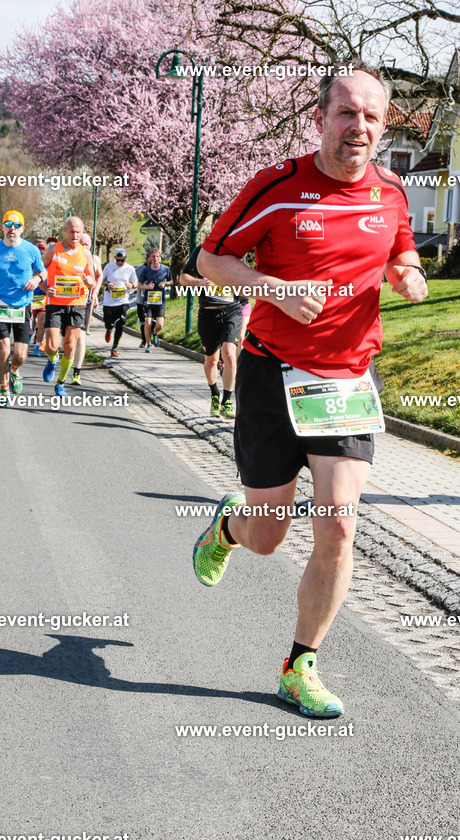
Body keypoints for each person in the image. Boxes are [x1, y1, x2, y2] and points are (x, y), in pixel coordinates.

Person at [192, 65, 427, 717]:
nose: (358, 127)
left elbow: (400, 253)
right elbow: (210, 261)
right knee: (267, 534)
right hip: (271, 372)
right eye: (345, 113)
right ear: (320, 118)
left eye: (371, 117)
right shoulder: (275, 187)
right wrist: (275, 290)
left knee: (337, 524)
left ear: (384, 126)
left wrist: (409, 277)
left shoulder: (391, 193)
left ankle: (299, 666)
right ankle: (229, 528)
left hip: (348, 377)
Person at [0, 211, 45, 406]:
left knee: (20, 355)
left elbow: (43, 272)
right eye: (8, 224)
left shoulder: (31, 250)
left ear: (22, 228)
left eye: (16, 225)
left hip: (23, 306)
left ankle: (14, 370)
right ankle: (4, 393)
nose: (12, 228)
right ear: (2, 227)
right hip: (1, 304)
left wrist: (37, 278)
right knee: (3, 351)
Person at [180, 243, 242, 417]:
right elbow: (183, 278)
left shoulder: (237, 250)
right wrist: (199, 282)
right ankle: (215, 393)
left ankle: (227, 400)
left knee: (230, 353)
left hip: (232, 309)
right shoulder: (201, 251)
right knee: (211, 360)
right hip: (208, 314)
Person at [41, 218, 96, 397]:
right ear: (65, 231)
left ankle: (60, 383)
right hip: (55, 303)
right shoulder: (53, 250)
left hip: (77, 304)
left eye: (78, 232)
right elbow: (38, 272)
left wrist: (90, 282)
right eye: (72, 232)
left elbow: (93, 281)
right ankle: (52, 359)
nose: (75, 236)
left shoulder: (85, 254)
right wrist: (45, 289)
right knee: (51, 345)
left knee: (70, 345)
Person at [71, 232, 103, 385]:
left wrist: (95, 292)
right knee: (68, 337)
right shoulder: (70, 254)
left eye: (87, 244)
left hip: (85, 300)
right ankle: (63, 359)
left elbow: (99, 275)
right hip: (68, 301)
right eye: (82, 243)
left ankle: (77, 372)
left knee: (81, 337)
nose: (84, 246)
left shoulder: (94, 259)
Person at [102, 248, 138, 357]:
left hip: (123, 301)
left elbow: (136, 282)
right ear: (115, 259)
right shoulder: (109, 267)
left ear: (125, 259)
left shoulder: (130, 268)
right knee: (109, 323)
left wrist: (131, 285)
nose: (119, 263)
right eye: (117, 260)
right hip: (109, 301)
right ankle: (108, 330)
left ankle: (114, 347)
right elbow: (101, 280)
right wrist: (107, 284)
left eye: (122, 260)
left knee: (121, 323)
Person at [136, 248, 173, 352]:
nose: (155, 258)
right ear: (150, 258)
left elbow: (171, 281)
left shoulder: (165, 269)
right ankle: (148, 344)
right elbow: (139, 285)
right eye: (153, 256)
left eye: (157, 256)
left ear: (160, 258)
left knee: (159, 325)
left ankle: (155, 333)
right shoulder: (146, 270)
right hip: (148, 301)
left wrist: (164, 283)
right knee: (147, 323)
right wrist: (147, 287)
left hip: (160, 301)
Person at [30, 240, 48, 355]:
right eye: (39, 251)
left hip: (42, 297)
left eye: (43, 251)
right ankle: (25, 342)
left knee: (41, 321)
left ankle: (37, 345)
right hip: (30, 296)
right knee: (30, 323)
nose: (41, 253)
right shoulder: (30, 262)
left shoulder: (49, 264)